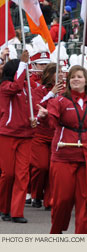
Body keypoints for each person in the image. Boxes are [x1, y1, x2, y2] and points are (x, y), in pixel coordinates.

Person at [37, 65, 87, 234]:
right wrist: (45, 115)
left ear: (86, 81)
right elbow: (52, 120)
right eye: (72, 77)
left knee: (85, 200)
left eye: (79, 76)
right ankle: (56, 232)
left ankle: (82, 237)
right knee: (63, 199)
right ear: (68, 81)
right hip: (64, 156)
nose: (75, 79)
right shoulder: (59, 100)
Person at [0, 50, 35, 223]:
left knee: (22, 174)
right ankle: (3, 208)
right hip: (7, 134)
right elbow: (16, 87)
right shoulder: (5, 87)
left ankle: (16, 212)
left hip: (26, 135)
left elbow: (33, 108)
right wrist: (22, 63)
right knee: (8, 174)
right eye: (22, 70)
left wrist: (36, 117)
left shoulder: (27, 89)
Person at [30, 63, 64, 209]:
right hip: (40, 134)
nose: (62, 74)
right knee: (41, 166)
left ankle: (50, 199)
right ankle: (36, 194)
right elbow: (35, 106)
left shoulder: (64, 92)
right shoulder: (40, 90)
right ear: (49, 75)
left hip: (56, 133)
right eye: (58, 72)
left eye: (62, 72)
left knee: (53, 168)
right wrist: (51, 94)